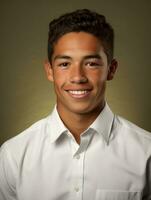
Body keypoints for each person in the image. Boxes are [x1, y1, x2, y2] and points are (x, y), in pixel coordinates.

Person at [0, 9, 151, 200]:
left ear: (111, 70)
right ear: (50, 71)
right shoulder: (13, 155)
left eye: (91, 63)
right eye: (64, 64)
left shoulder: (147, 155)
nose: (78, 77)